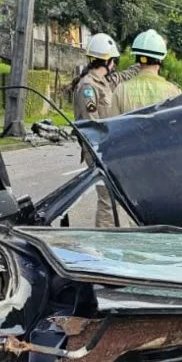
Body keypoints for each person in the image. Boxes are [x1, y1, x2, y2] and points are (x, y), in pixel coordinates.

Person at [71, 32, 140, 227]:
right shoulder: (88, 87)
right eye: (113, 61)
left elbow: (123, 76)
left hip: (107, 149)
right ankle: (105, 241)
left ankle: (113, 238)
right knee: (107, 200)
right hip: (98, 151)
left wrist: (141, 65)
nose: (115, 65)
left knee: (114, 198)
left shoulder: (105, 82)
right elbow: (91, 124)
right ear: (107, 61)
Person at [112, 29, 181, 114]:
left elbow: (111, 125)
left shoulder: (120, 90)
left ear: (137, 56)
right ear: (161, 58)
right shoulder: (173, 92)